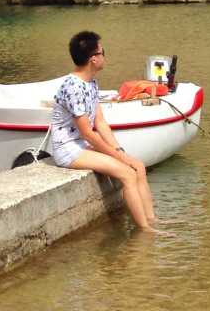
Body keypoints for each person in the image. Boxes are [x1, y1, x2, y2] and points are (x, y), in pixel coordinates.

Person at [51, 30, 157, 232]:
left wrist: (119, 150)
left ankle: (152, 219)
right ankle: (145, 230)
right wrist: (117, 156)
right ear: (93, 59)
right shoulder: (73, 87)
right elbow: (87, 133)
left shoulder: (90, 82)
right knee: (127, 174)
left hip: (81, 145)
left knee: (139, 166)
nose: (104, 56)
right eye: (103, 52)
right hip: (68, 149)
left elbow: (100, 123)